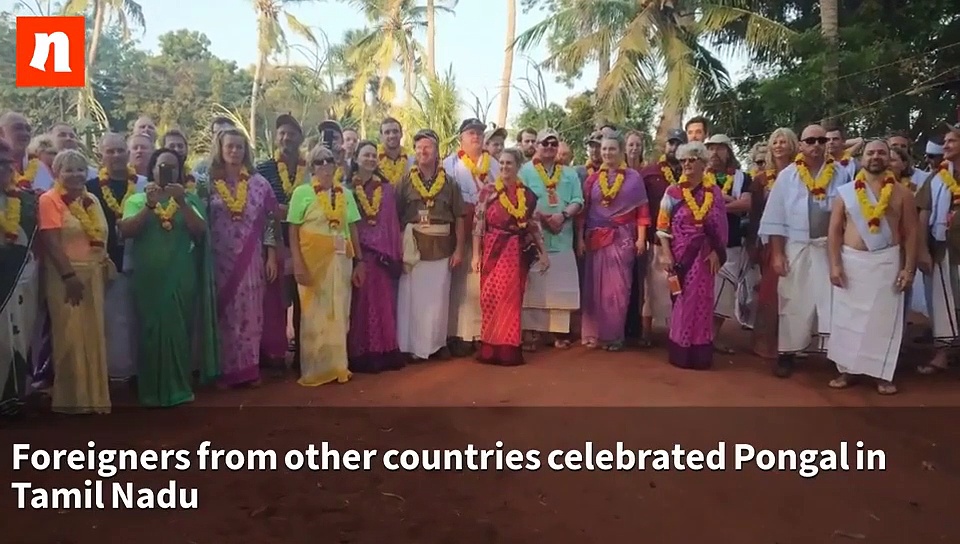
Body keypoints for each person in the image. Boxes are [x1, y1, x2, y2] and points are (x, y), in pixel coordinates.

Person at [120, 148, 219, 407]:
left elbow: (200, 231)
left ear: (180, 171)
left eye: (172, 167)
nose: (167, 170)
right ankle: (151, 392)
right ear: (152, 169)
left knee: (179, 332)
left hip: (181, 276)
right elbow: (127, 230)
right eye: (162, 166)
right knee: (150, 332)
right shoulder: (137, 199)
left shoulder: (190, 199)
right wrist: (150, 206)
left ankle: (179, 388)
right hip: (149, 279)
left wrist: (183, 202)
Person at [758, 124, 852, 378]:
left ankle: (835, 355)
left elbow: (848, 216)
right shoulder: (788, 176)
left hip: (827, 248)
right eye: (810, 141)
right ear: (800, 145)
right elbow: (775, 217)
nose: (816, 145)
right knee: (792, 300)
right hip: (796, 247)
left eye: (821, 140)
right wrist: (777, 253)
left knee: (832, 301)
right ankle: (787, 353)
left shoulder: (840, 175)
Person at [826, 140, 917, 395]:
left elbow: (911, 233)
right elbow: (834, 231)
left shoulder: (903, 194)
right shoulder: (845, 192)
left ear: (889, 158)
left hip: (886, 263)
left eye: (881, 153)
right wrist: (834, 265)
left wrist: (908, 269)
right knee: (847, 321)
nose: (875, 157)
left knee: (883, 322)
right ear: (862, 158)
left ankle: (882, 373)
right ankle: (847, 370)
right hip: (851, 262)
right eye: (870, 153)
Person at [39, 149, 112, 414]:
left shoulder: (90, 199)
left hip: (93, 275)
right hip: (65, 277)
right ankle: (72, 400)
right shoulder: (50, 200)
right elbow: (51, 242)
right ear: (57, 173)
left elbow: (101, 235)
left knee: (93, 336)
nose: (75, 175)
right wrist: (68, 276)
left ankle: (95, 397)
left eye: (80, 169)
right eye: (68, 170)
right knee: (70, 336)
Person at [207, 128, 279, 388]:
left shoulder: (259, 183)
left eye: (239, 147)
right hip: (217, 259)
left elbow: (272, 220)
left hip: (250, 260)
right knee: (224, 315)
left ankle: (249, 370)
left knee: (250, 314)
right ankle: (224, 372)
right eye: (230, 146)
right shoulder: (208, 182)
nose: (235, 151)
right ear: (221, 149)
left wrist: (271, 255)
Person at [288, 145, 364, 386]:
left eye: (328, 160)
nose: (324, 166)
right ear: (312, 167)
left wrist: (360, 261)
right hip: (312, 263)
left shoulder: (346, 193)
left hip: (341, 260)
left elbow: (352, 228)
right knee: (313, 315)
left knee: (340, 311)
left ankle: (338, 366)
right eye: (318, 162)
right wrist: (297, 263)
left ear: (335, 164)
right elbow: (293, 229)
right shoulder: (302, 192)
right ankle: (314, 369)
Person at [656, 142, 729, 369]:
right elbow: (662, 226)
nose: (687, 164)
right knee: (682, 300)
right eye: (684, 160)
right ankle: (680, 351)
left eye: (692, 160)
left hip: (706, 256)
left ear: (703, 163)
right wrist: (666, 254)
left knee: (703, 300)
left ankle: (700, 352)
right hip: (680, 256)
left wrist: (718, 251)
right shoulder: (673, 192)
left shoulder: (714, 192)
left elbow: (721, 225)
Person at [472, 148, 548, 364]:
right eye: (502, 163)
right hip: (491, 251)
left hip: (514, 253)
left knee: (510, 301)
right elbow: (478, 225)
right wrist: (476, 255)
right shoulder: (487, 192)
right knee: (489, 298)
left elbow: (534, 226)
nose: (505, 167)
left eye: (509, 163)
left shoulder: (527, 195)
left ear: (517, 166)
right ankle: (488, 348)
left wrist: (543, 254)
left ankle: (507, 350)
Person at [396, 129, 465, 361]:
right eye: (418, 148)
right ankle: (410, 347)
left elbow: (460, 217)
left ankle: (435, 345)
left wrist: (458, 250)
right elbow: (396, 215)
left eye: (427, 147)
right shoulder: (405, 181)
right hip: (413, 246)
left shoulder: (450, 183)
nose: (422, 152)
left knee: (438, 298)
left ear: (437, 152)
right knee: (411, 299)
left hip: (441, 247)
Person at [578, 132, 650, 351]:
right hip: (596, 239)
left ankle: (614, 336)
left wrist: (641, 239)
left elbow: (642, 211)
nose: (608, 153)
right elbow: (583, 211)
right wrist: (580, 239)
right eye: (604, 149)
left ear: (621, 152)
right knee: (594, 289)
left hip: (623, 239)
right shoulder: (592, 179)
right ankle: (594, 335)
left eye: (612, 149)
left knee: (618, 290)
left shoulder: (633, 178)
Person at [86, 133, 146, 381]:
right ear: (101, 155)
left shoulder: (144, 184)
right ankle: (113, 373)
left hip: (140, 260)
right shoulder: (90, 189)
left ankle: (138, 370)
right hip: (105, 261)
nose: (116, 156)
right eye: (110, 151)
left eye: (120, 150)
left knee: (137, 318)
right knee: (110, 321)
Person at [520, 129, 583, 350]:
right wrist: (543, 218)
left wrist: (563, 215)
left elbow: (578, 199)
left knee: (561, 285)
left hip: (563, 235)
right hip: (536, 236)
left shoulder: (569, 173)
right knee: (535, 284)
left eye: (553, 143)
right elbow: (521, 199)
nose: (548, 147)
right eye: (544, 143)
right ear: (536, 146)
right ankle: (533, 332)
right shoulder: (525, 171)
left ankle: (558, 332)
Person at [347, 141, 404, 373]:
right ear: (356, 158)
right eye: (365, 155)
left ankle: (383, 352)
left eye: (373, 155)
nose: (370, 159)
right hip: (356, 255)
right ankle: (360, 354)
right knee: (359, 306)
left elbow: (391, 223)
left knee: (383, 304)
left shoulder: (387, 190)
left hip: (381, 257)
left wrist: (391, 253)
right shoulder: (347, 189)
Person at [445, 118, 500, 357]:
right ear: (461, 138)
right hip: (459, 229)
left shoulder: (495, 164)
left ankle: (479, 333)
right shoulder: (450, 164)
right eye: (470, 133)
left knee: (481, 281)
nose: (475, 136)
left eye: (479, 133)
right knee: (459, 283)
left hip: (487, 230)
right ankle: (457, 334)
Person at [256, 114, 305, 368]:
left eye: (292, 133)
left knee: (302, 300)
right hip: (273, 242)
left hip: (305, 243)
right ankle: (273, 355)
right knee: (274, 300)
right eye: (282, 133)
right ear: (276, 137)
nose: (286, 138)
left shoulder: (310, 170)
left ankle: (301, 355)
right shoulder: (263, 169)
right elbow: (260, 207)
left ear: (300, 138)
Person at [748, 128, 798, 358]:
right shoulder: (760, 180)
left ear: (792, 145)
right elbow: (755, 215)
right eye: (775, 142)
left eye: (783, 141)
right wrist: (753, 246)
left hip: (797, 240)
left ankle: (790, 344)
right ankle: (764, 342)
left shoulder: (802, 175)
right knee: (769, 292)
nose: (779, 145)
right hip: (768, 242)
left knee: (793, 293)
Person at [915, 123, 960, 374]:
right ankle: (942, 354)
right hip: (944, 250)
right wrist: (922, 249)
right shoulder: (937, 178)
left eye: (952, 141)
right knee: (944, 303)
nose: (945, 146)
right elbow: (924, 213)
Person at [0, 139, 40, 415]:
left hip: (17, 282)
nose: (3, 169)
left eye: (6, 164)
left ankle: (11, 398)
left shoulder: (25, 202)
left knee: (15, 336)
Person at [636, 128, 686, 346]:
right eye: (671, 143)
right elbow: (641, 206)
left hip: (684, 242)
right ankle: (646, 333)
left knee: (677, 287)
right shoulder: (650, 172)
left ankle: (675, 330)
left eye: (678, 143)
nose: (674, 147)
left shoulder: (693, 174)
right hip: (655, 240)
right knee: (651, 288)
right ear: (665, 146)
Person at [705, 134, 752, 353]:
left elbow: (746, 204)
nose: (714, 153)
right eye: (710, 148)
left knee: (723, 293)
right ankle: (699, 336)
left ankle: (711, 337)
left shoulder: (743, 178)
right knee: (702, 292)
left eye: (719, 148)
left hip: (731, 243)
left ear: (728, 151)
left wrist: (715, 203)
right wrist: (732, 202)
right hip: (702, 243)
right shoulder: (700, 175)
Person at [0, 112, 55, 192]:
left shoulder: (40, 168)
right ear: (1, 132)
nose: (25, 133)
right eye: (18, 128)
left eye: (28, 129)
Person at [378, 117, 412, 185]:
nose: (392, 136)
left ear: (401, 134)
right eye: (387, 132)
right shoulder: (374, 162)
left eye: (395, 131)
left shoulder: (411, 162)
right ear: (381, 136)